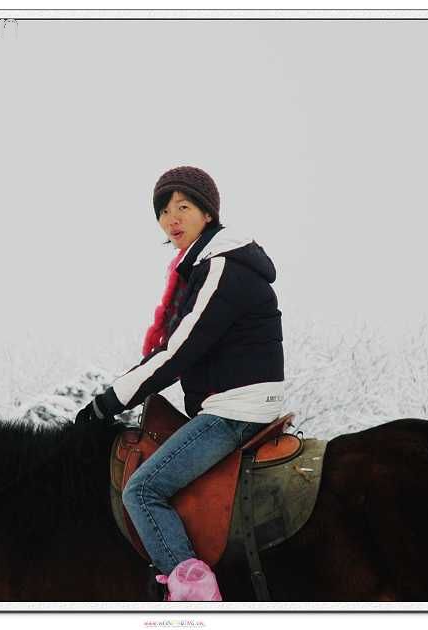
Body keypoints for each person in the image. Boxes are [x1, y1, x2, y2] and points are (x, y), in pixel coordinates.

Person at [75, 165, 285, 601]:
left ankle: (195, 593)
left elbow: (177, 352)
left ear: (208, 214)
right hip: (235, 404)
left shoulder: (221, 267)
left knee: (142, 490)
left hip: (234, 412)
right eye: (164, 211)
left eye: (184, 207)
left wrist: (106, 403)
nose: (173, 219)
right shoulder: (212, 265)